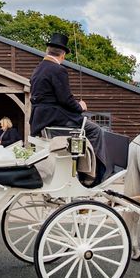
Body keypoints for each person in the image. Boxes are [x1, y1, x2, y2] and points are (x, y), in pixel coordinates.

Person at [29, 32, 109, 182]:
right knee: (95, 130)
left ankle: (80, 169)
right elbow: (65, 99)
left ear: (47, 51)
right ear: (63, 55)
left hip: (39, 119)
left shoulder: (37, 69)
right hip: (55, 118)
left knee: (87, 129)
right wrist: (80, 106)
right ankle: (93, 175)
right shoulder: (58, 69)